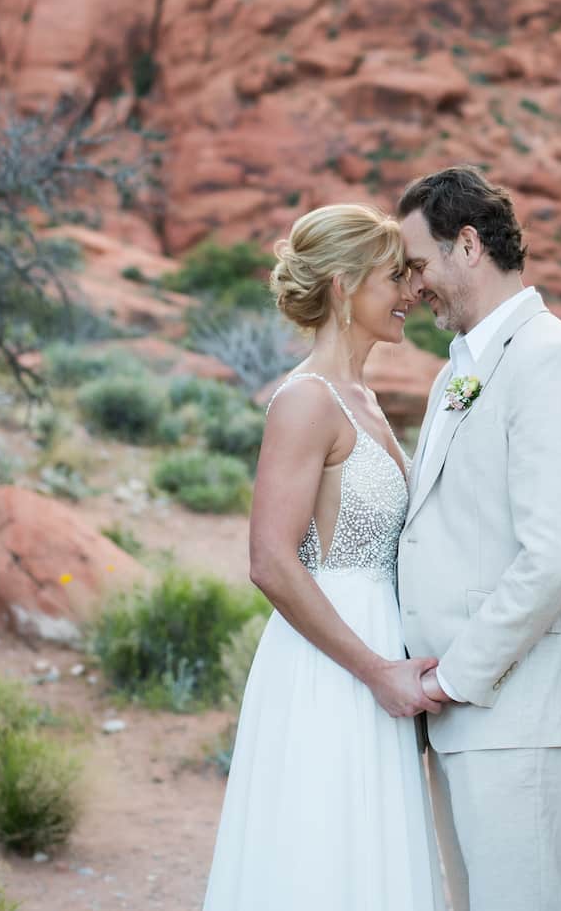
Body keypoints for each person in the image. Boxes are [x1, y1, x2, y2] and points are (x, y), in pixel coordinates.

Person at [202, 203, 447, 911]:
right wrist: (375, 671)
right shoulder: (305, 402)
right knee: (321, 855)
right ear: (343, 285)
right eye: (393, 278)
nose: (411, 294)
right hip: (333, 668)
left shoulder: (364, 398)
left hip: (377, 658)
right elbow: (271, 562)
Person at [396, 166, 561, 911]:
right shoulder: (456, 372)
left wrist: (454, 676)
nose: (413, 284)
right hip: (464, 722)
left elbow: (558, 557)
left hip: (518, 719)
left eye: (418, 263)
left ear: (467, 245)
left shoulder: (550, 359)